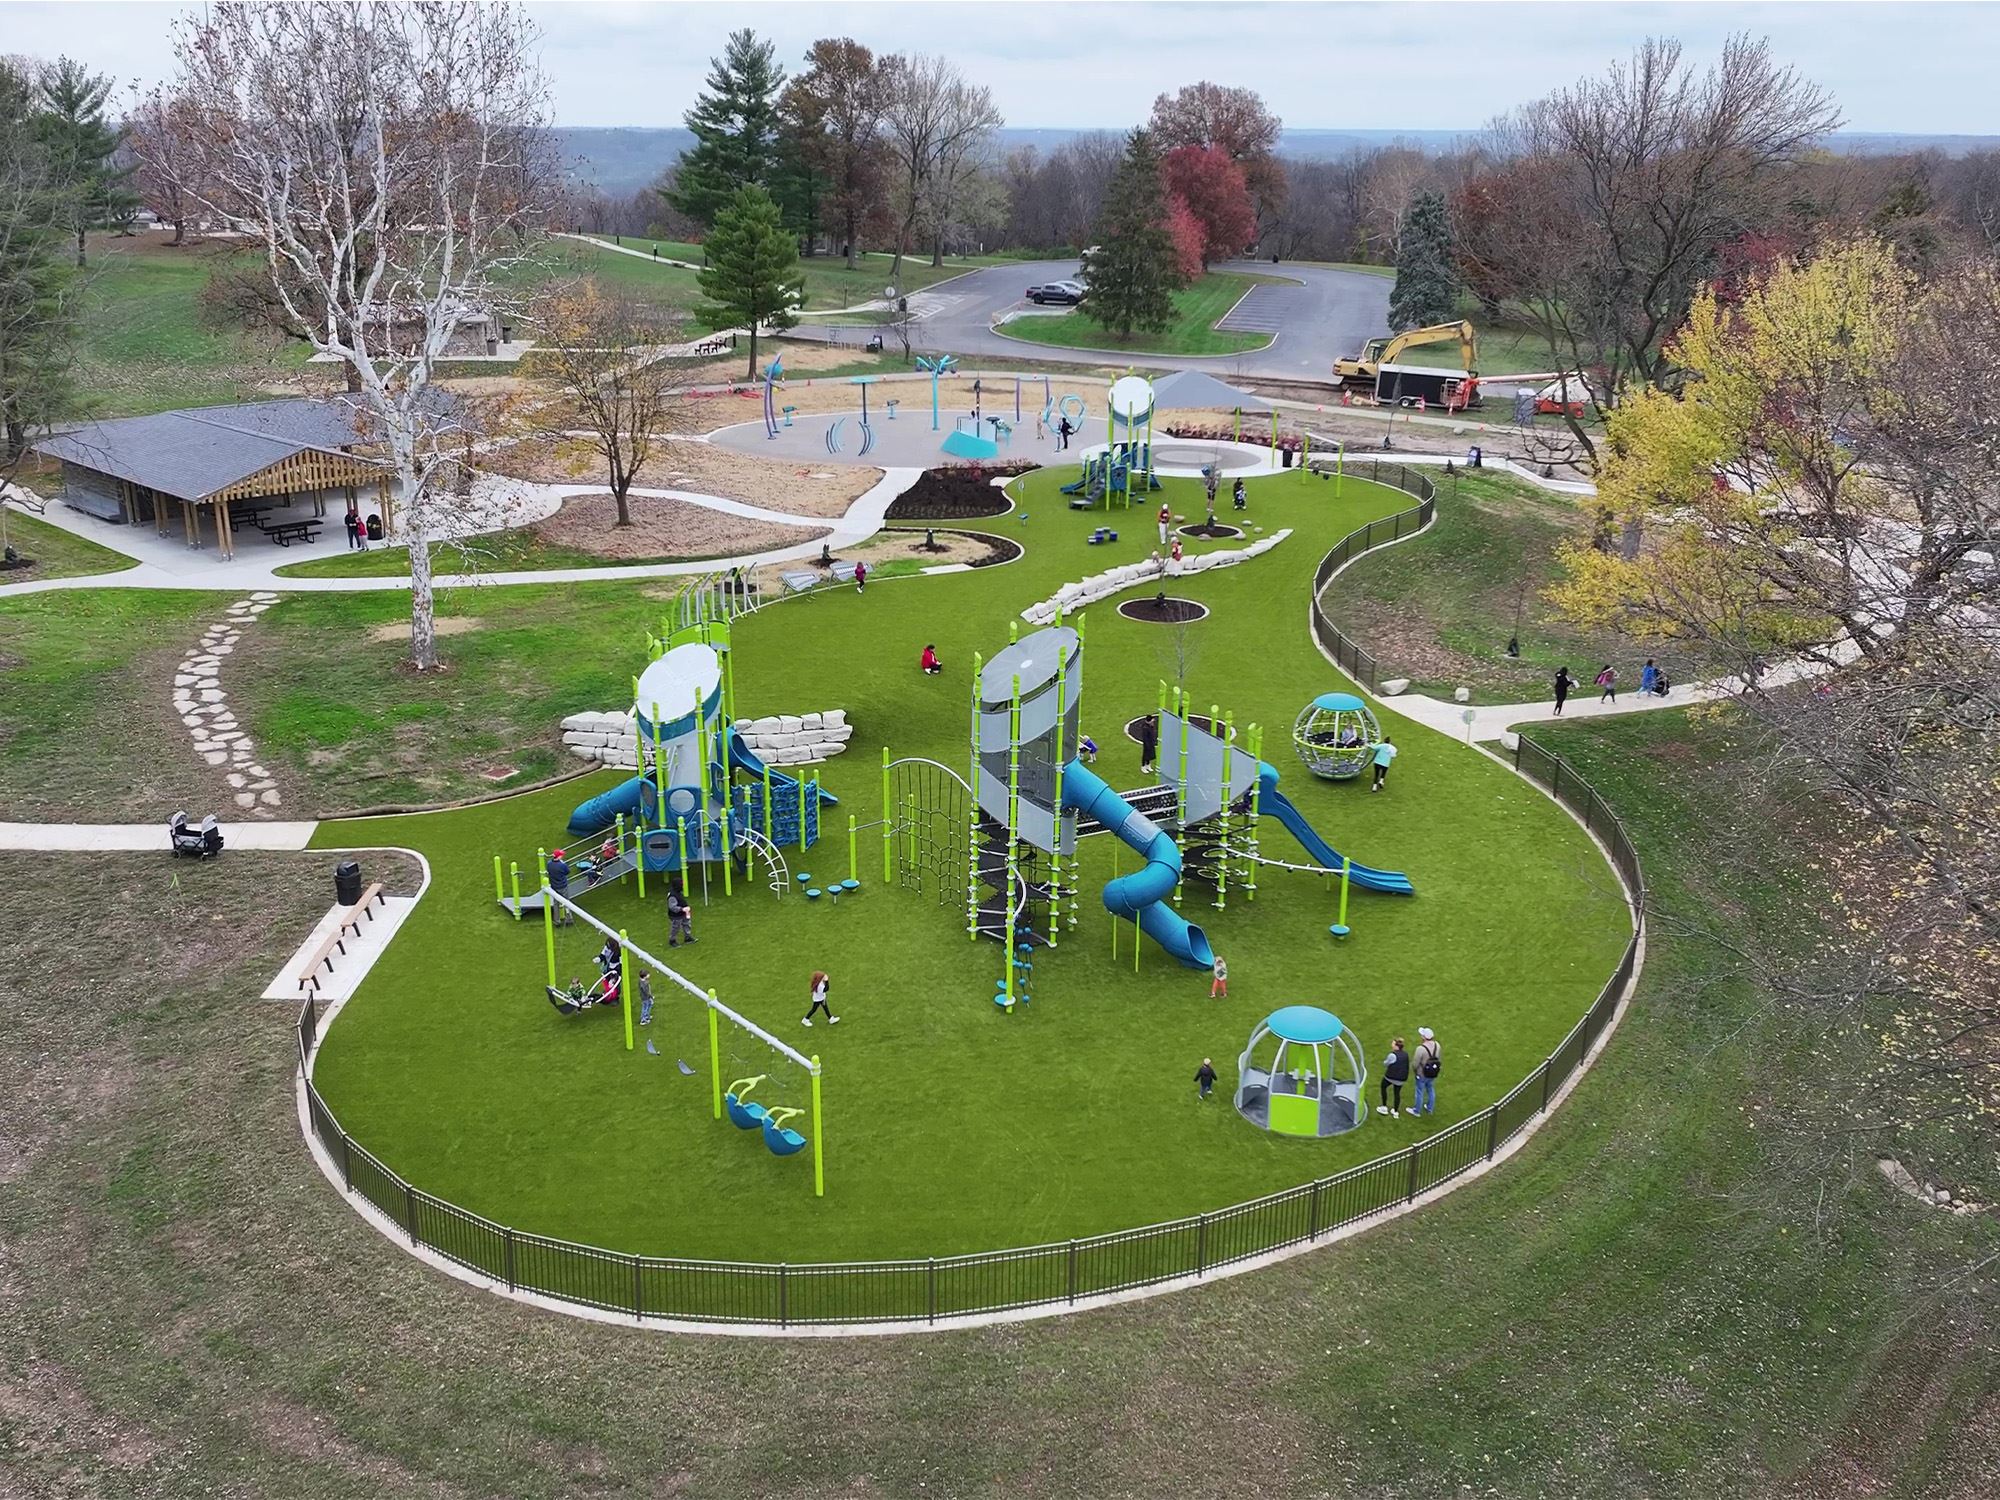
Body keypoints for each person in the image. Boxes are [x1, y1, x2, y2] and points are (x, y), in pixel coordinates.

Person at [1412, 1026, 1441, 1116]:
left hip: (1422, 1073)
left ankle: (1417, 1110)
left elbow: (1415, 1063)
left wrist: (1415, 1071)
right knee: (1430, 1089)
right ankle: (1430, 1107)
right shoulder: (1437, 1045)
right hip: (1433, 1072)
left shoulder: (1420, 1049)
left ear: (1424, 1037)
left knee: (1419, 1091)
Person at [1380, 1036, 1410, 1117]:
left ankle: (1384, 1107)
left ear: (1396, 1046)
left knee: (1383, 1087)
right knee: (1397, 1093)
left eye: (1393, 1044)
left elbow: (1385, 1064)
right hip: (1402, 1078)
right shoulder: (1406, 1054)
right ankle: (1396, 1112)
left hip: (1391, 1077)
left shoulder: (1392, 1055)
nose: (1391, 1045)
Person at [546, 849, 574, 925]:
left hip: (554, 886)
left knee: (556, 904)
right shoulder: (562, 865)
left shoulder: (549, 864)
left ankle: (557, 920)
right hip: (563, 886)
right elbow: (567, 872)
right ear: (558, 857)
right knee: (567, 902)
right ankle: (569, 919)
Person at [667, 879, 693, 946]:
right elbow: (672, 907)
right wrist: (682, 909)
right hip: (676, 915)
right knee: (676, 927)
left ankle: (688, 937)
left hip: (684, 913)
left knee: (687, 924)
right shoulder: (672, 895)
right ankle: (672, 940)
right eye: (681, 885)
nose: (682, 886)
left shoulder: (678, 892)